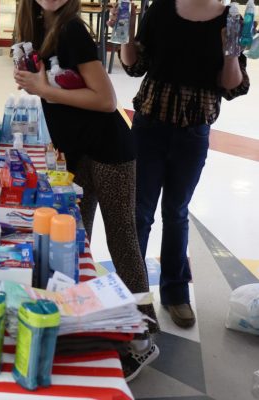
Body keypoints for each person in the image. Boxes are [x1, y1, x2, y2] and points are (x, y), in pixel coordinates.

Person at [13, 0, 160, 381]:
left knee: (122, 240)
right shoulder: (39, 28)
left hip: (109, 151)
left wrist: (45, 88)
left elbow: (106, 100)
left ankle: (143, 336)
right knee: (76, 241)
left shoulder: (72, 29)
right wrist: (38, 85)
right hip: (76, 153)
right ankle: (86, 319)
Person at [116, 0, 249, 329]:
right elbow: (135, 65)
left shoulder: (230, 17)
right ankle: (130, 292)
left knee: (176, 213)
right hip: (149, 127)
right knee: (139, 212)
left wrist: (231, 52)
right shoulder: (162, 8)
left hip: (193, 132)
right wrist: (124, 36)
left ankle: (176, 293)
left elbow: (232, 85)